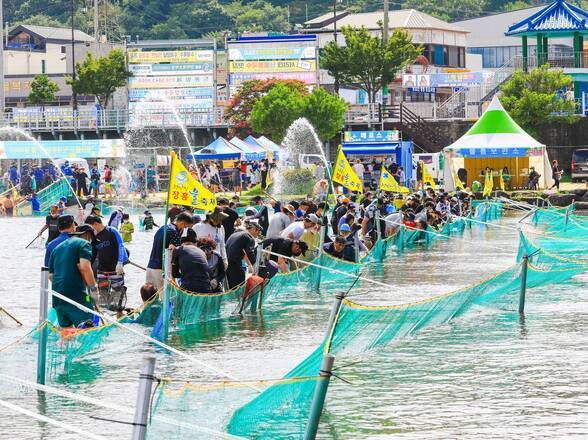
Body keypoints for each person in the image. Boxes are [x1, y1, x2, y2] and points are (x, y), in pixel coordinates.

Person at [48, 224, 99, 327]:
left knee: (66, 332)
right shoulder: (84, 244)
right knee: (88, 329)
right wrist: (93, 289)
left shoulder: (57, 248)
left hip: (57, 297)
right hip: (76, 295)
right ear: (88, 235)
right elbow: (85, 267)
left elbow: (50, 275)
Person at [146, 211, 194, 289]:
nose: (184, 229)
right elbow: (173, 256)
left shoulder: (163, 227)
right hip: (161, 270)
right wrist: (173, 279)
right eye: (186, 227)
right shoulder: (174, 233)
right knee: (165, 299)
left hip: (150, 267)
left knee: (150, 298)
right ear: (182, 223)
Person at [171, 228, 212, 293]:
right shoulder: (201, 252)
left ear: (181, 241)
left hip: (189, 288)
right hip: (207, 288)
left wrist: (184, 274)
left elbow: (174, 274)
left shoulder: (177, 249)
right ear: (195, 241)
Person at [225, 221, 262, 289]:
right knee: (239, 284)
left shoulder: (236, 234)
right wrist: (256, 267)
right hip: (234, 263)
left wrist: (249, 264)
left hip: (225, 263)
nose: (258, 234)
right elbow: (250, 253)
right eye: (258, 231)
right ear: (253, 229)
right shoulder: (249, 238)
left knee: (231, 287)